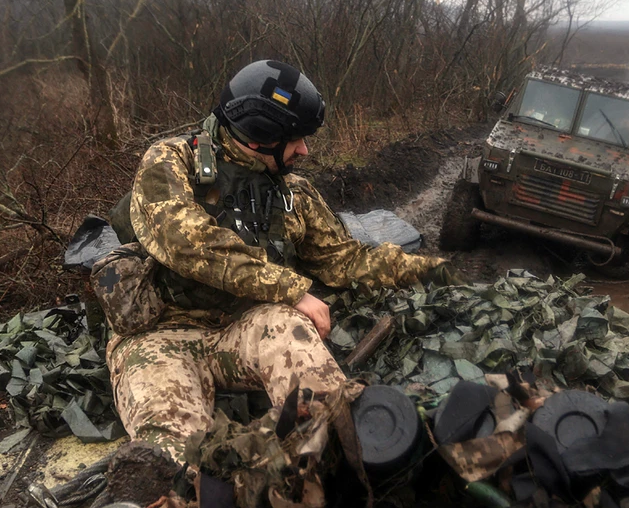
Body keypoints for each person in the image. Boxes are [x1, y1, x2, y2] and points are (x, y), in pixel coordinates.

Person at [98, 60, 460, 463]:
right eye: (296, 139)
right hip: (161, 336)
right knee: (175, 461)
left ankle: (340, 454)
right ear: (260, 135)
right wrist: (292, 289)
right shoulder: (170, 161)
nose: (305, 150)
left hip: (244, 328)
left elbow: (342, 259)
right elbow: (188, 243)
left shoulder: (294, 193)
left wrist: (423, 269)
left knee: (297, 343)